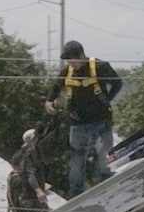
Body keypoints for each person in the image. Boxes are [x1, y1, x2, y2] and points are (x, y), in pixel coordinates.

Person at [44, 40, 123, 196]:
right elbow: (56, 87)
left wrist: (107, 99)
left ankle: (106, 190)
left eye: (72, 60)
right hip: (78, 123)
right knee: (76, 163)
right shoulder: (68, 71)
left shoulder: (100, 67)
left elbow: (118, 83)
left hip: (101, 121)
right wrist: (49, 101)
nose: (70, 64)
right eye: (68, 61)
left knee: (104, 158)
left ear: (81, 55)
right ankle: (76, 194)